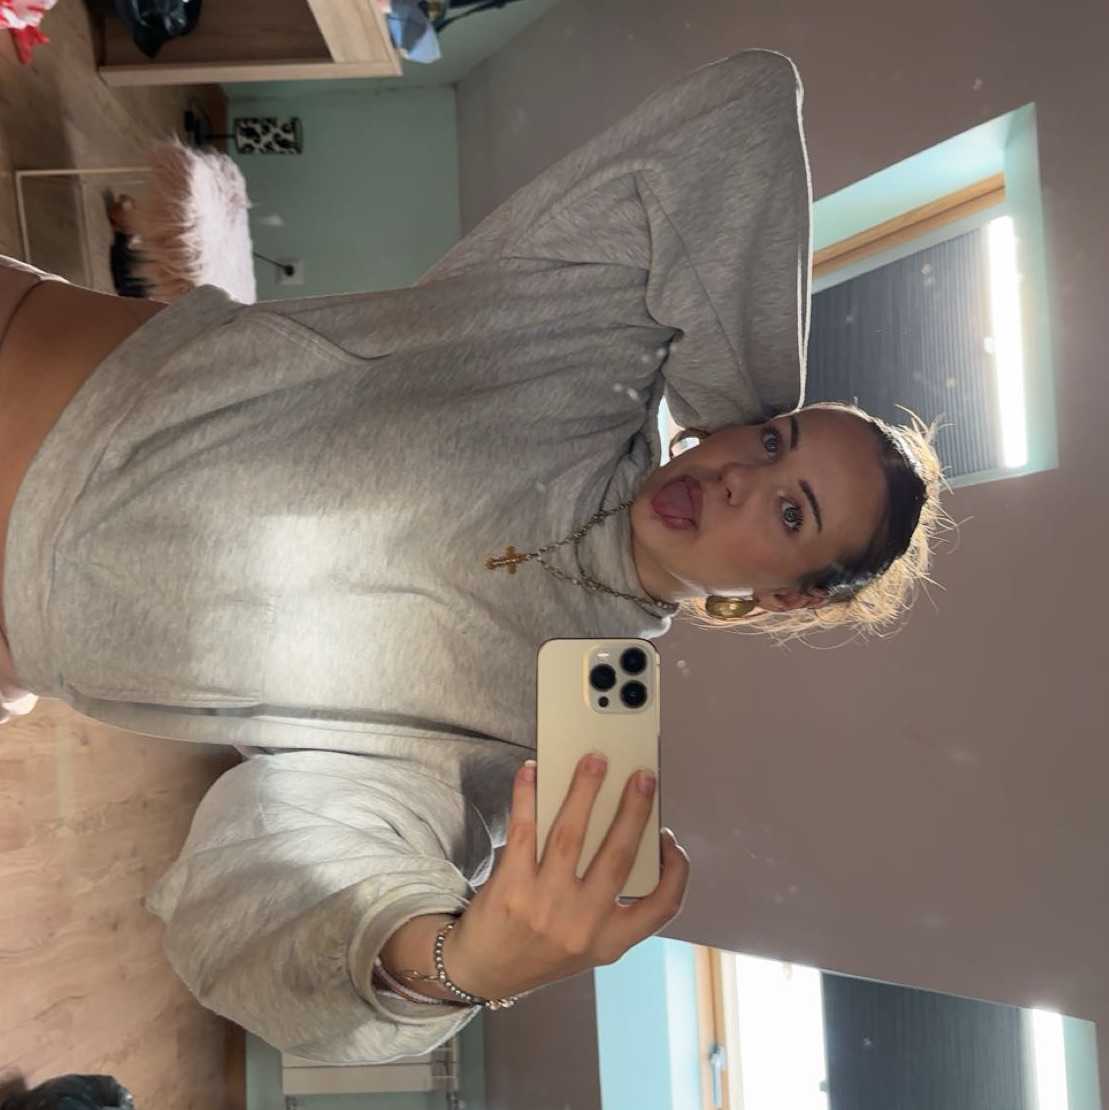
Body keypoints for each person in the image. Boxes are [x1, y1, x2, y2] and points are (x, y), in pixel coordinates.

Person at [0, 50, 943, 1060]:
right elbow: (741, 113)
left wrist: (461, 963)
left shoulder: (529, 730)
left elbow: (283, 875)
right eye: (770, 441)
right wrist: (740, 405)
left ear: (785, 599)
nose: (737, 480)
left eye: (791, 514)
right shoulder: (584, 352)